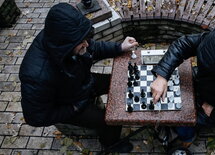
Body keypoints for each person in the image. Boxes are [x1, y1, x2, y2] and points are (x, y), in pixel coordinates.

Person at [19, 3, 138, 153]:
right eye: (81, 42)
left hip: (81, 83)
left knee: (119, 82)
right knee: (108, 121)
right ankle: (110, 144)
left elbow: (93, 47)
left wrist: (119, 48)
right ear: (65, 46)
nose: (86, 44)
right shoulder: (36, 76)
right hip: (69, 103)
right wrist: (73, 108)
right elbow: (35, 117)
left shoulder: (65, 37)